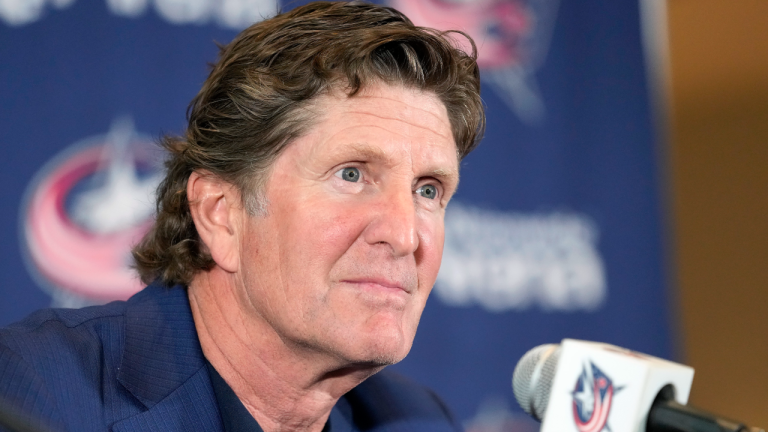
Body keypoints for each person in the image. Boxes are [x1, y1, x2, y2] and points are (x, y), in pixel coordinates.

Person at [0, 1, 484, 431]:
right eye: (352, 175)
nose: (404, 235)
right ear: (220, 214)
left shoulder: (416, 419)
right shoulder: (35, 393)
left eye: (427, 189)